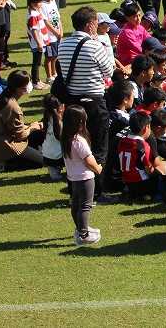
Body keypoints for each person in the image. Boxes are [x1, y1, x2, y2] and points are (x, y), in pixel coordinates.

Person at [58, 7, 116, 199]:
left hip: (73, 102)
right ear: (90, 24)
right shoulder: (95, 46)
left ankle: (74, 187)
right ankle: (97, 190)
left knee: (74, 145)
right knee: (98, 146)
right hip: (94, 102)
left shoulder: (63, 45)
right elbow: (109, 71)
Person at [61, 104, 103, 245]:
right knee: (85, 206)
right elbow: (89, 161)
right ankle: (83, 235)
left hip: (73, 177)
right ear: (80, 122)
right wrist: (98, 168)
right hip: (85, 178)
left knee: (76, 205)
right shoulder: (79, 140)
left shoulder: (65, 138)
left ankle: (80, 228)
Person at [0, 70, 43, 172]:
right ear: (20, 88)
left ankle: (2, 163)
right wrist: (32, 127)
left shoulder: (3, 99)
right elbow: (20, 135)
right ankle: (5, 165)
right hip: (9, 147)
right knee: (44, 161)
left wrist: (30, 126)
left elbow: (11, 127)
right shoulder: (12, 106)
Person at [26, 0, 57, 89]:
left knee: (38, 62)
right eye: (38, 2)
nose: (40, 4)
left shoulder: (36, 12)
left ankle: (38, 80)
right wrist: (39, 43)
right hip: (37, 43)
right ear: (32, 3)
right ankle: (35, 82)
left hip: (41, 41)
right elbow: (34, 30)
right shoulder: (33, 15)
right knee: (36, 63)